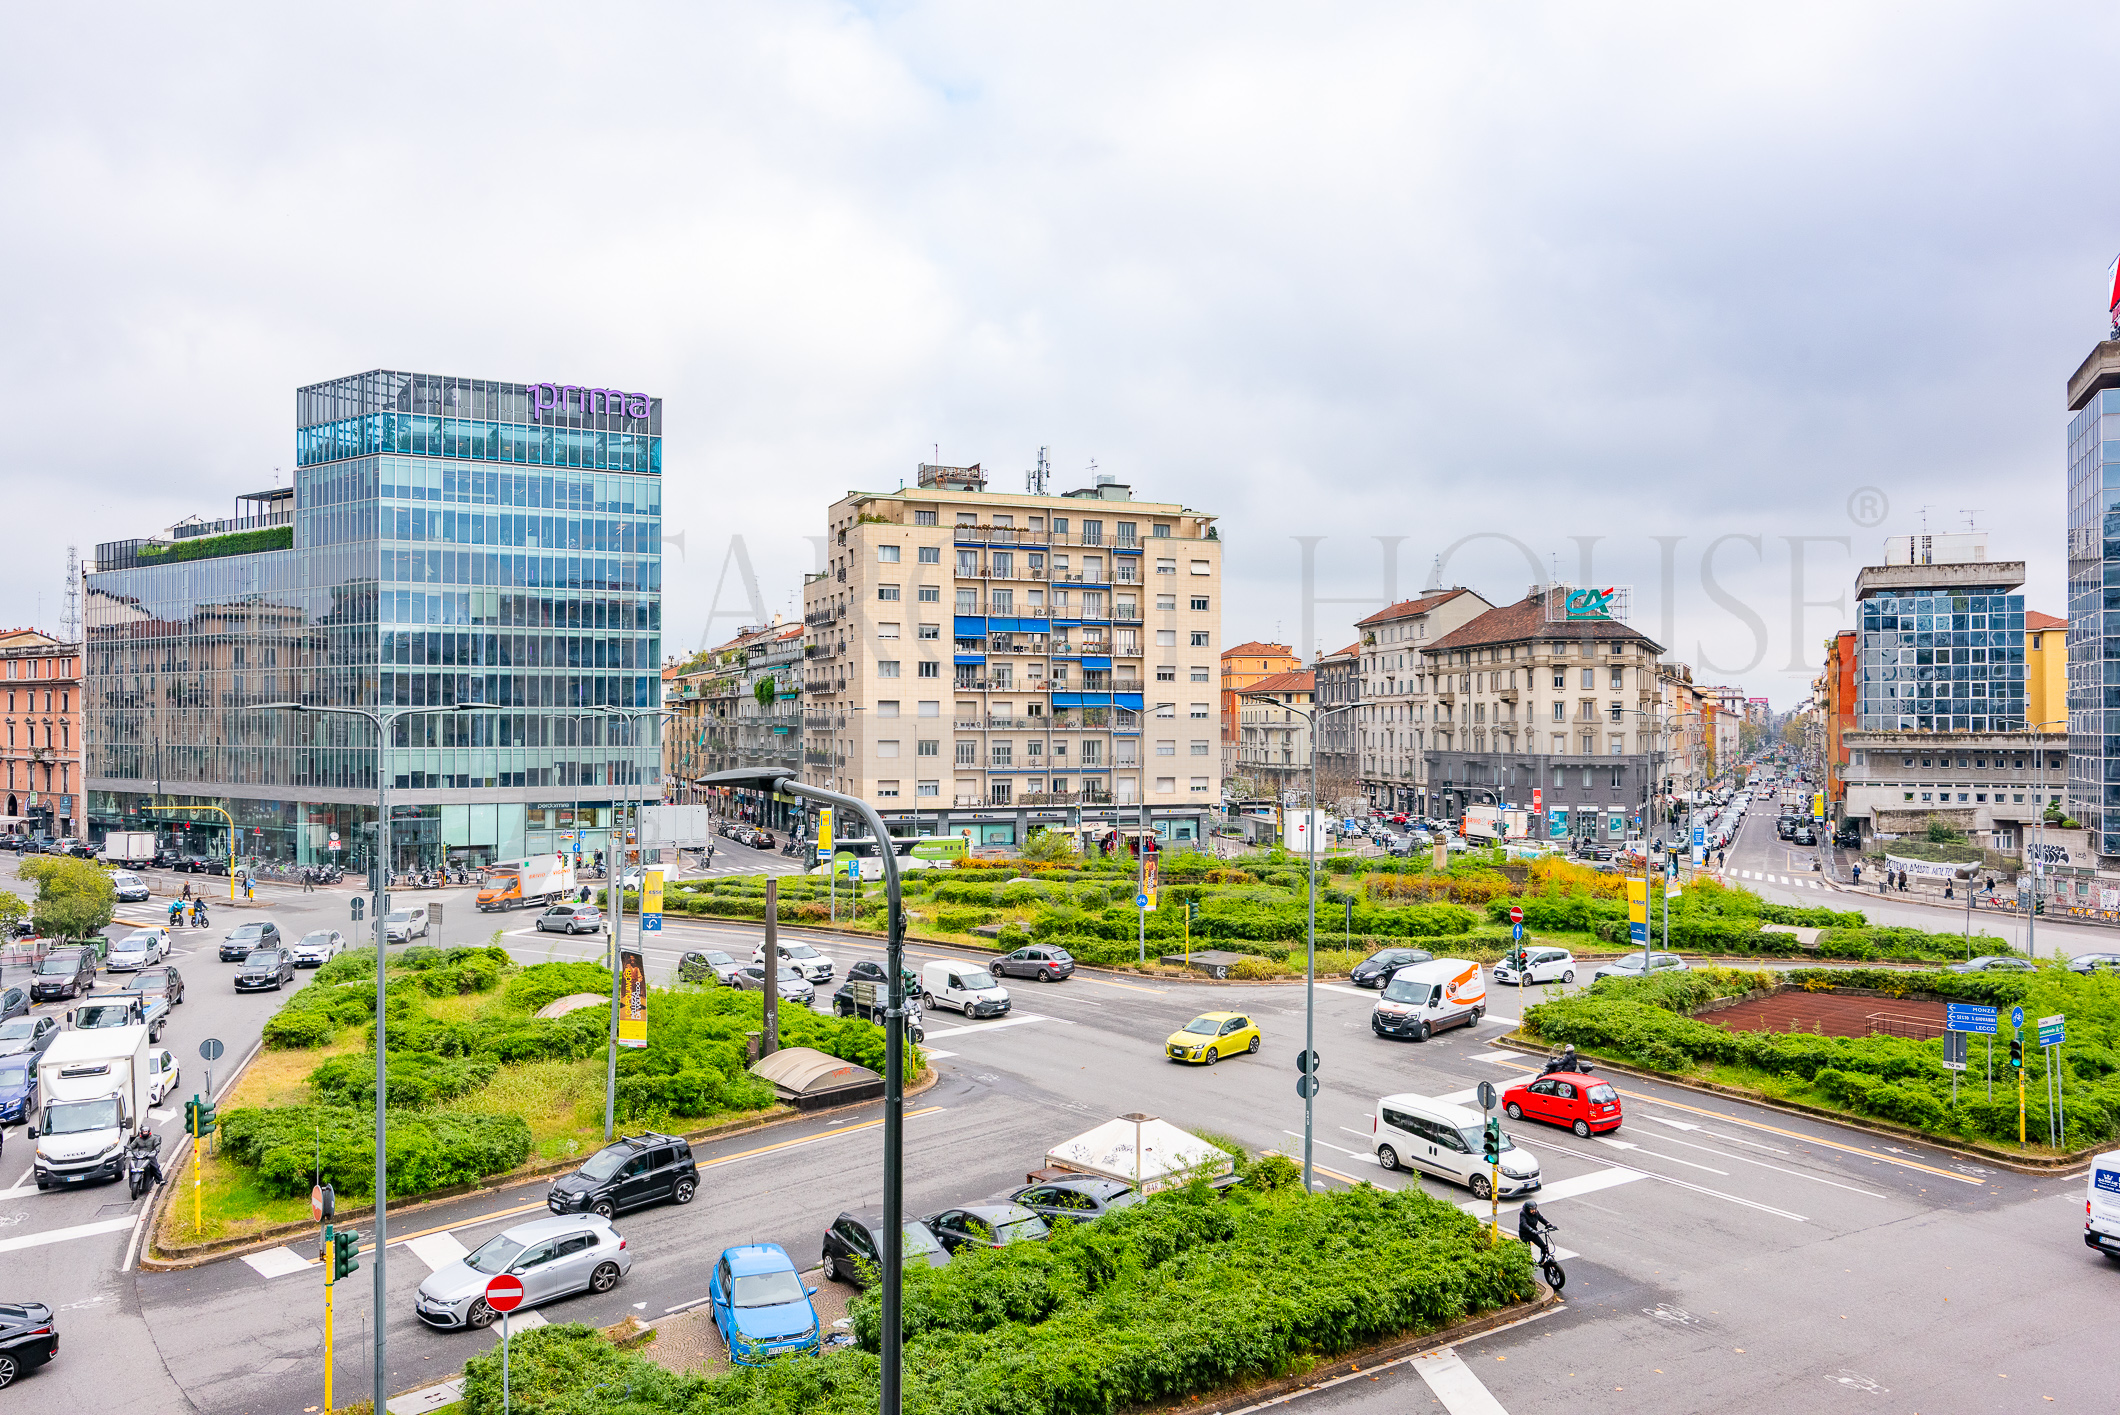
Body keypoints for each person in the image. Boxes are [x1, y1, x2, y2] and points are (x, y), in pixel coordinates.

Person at [1518, 1199, 1557, 1265]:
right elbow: (1523, 1224)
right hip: (1525, 1234)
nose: (1534, 1211)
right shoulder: (1523, 1214)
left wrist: (1548, 1224)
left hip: (1534, 1233)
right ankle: (1528, 1264)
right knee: (1527, 1251)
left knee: (1544, 1247)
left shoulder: (1536, 1213)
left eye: (1535, 1209)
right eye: (1532, 1209)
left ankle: (1542, 1261)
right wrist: (1531, 1230)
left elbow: (1541, 1218)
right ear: (1527, 1209)